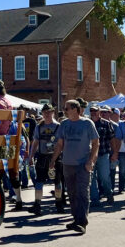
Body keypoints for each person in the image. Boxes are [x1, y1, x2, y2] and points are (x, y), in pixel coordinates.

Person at [49, 100, 99, 234]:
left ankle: (82, 222)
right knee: (72, 193)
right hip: (67, 163)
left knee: (82, 192)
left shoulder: (87, 123)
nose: (64, 111)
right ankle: (76, 219)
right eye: (64, 108)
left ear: (76, 109)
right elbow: (60, 144)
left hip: (83, 164)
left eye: (67, 108)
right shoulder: (64, 124)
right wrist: (53, 160)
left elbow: (95, 143)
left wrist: (91, 161)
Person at [28, 102, 61, 214]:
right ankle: (37, 204)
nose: (47, 114)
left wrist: (54, 159)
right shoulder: (39, 127)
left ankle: (59, 203)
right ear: (42, 113)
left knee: (57, 181)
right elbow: (35, 142)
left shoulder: (58, 126)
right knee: (39, 181)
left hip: (55, 157)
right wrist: (31, 156)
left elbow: (61, 144)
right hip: (42, 157)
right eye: (45, 112)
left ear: (53, 112)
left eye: (49, 112)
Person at [90, 105, 118, 206]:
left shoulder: (106, 124)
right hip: (90, 156)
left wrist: (115, 153)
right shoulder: (88, 123)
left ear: (99, 112)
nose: (93, 112)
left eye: (95, 111)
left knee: (104, 177)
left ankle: (109, 194)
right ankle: (94, 199)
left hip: (103, 153)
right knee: (91, 178)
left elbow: (112, 139)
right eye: (91, 110)